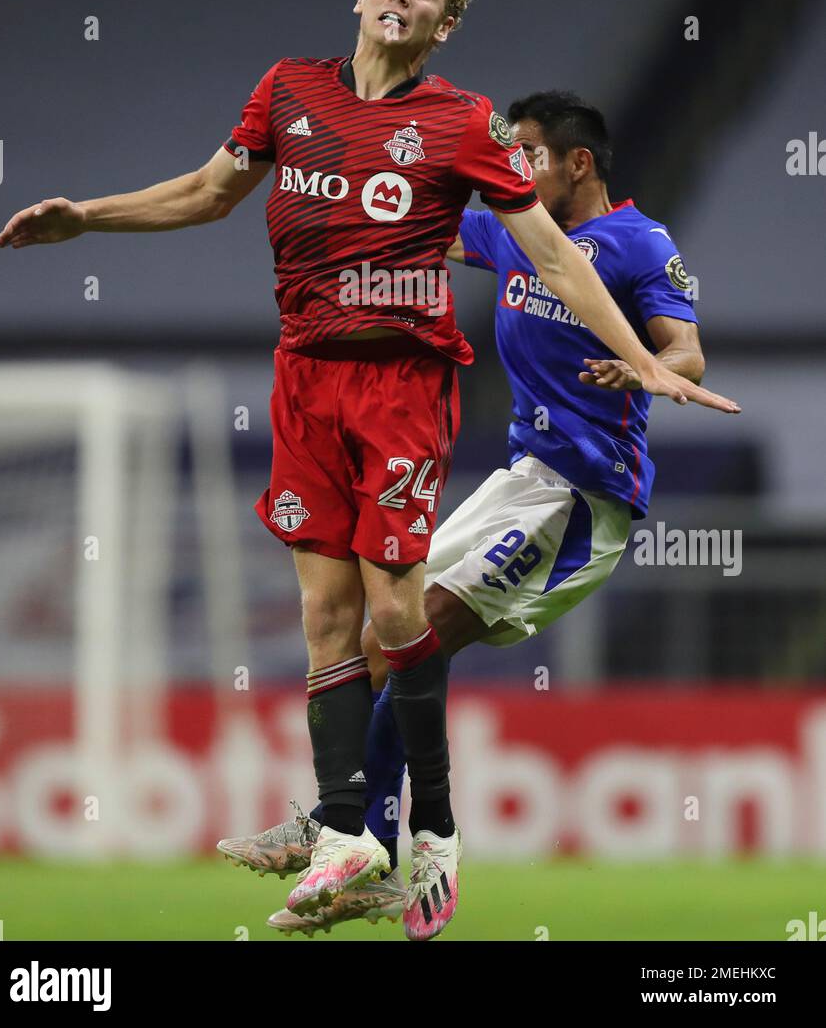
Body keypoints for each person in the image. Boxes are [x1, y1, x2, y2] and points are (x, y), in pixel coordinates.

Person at [0, 0, 738, 942]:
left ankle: (417, 824)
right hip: (308, 380)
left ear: (441, 25)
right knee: (331, 620)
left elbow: (562, 262)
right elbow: (210, 191)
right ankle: (350, 827)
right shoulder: (288, 92)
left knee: (403, 613)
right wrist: (89, 216)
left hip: (456, 417)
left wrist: (654, 364)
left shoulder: (476, 135)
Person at [219, 91, 720, 937]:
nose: (513, 169)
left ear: (578, 163)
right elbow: (430, 218)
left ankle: (363, 835)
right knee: (389, 635)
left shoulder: (641, 244)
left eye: (528, 153)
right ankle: (366, 846)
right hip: (518, 481)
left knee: (429, 630)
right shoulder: (518, 230)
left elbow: (687, 348)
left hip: (581, 498)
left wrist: (651, 367)